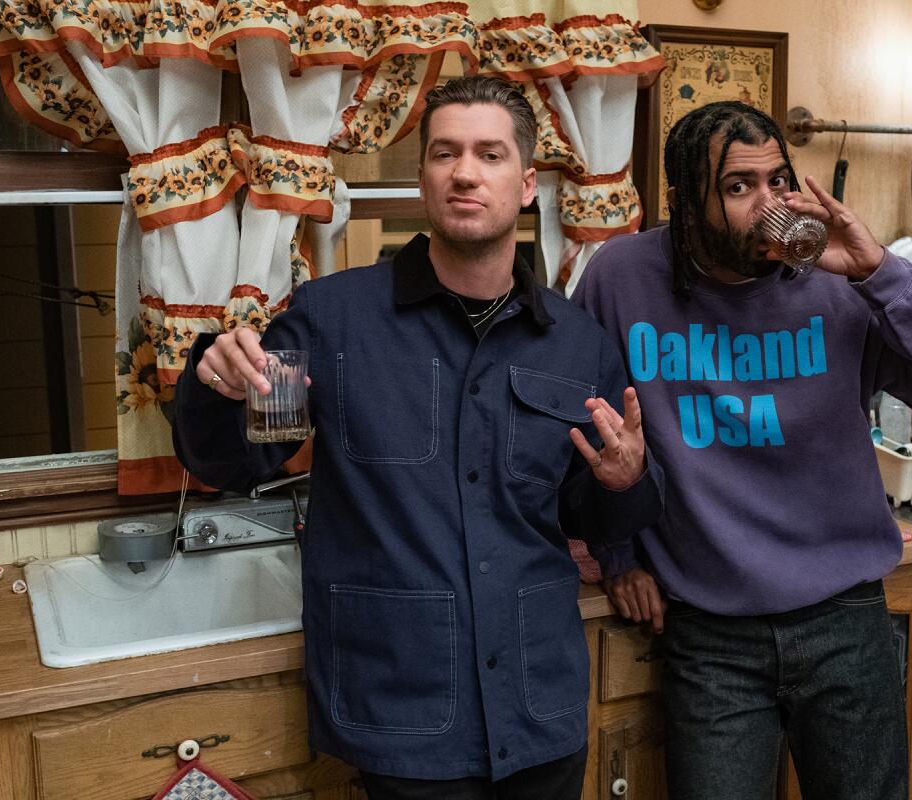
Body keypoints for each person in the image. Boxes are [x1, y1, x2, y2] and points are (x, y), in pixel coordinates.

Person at [172, 76, 664, 800]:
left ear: (528, 184)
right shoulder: (328, 320)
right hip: (402, 719)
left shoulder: (578, 345)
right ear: (424, 178)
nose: (465, 171)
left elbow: (589, 514)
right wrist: (216, 386)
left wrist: (625, 481)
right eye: (445, 153)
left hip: (541, 712)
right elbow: (238, 462)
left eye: (490, 154)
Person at [572, 101, 912, 800]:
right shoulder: (620, 278)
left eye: (780, 182)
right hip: (710, 635)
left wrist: (878, 271)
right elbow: (591, 426)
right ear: (688, 203)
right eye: (740, 187)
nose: (769, 204)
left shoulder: (842, 285)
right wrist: (620, 554)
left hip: (846, 619)